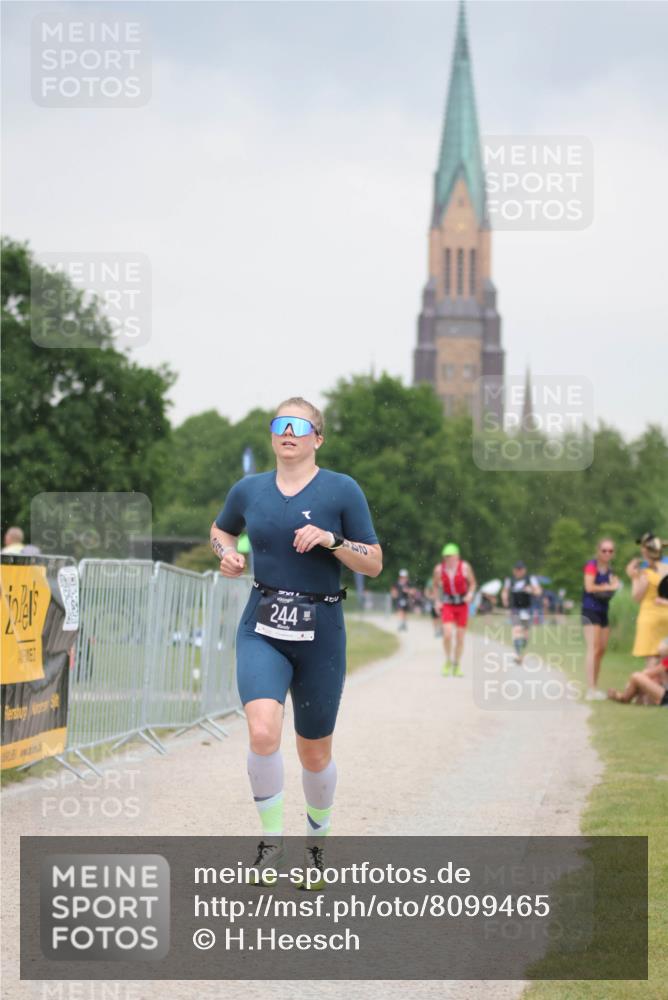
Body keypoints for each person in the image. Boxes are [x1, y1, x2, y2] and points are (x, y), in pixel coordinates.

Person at [210, 397, 382, 888]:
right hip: (262, 625)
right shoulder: (249, 490)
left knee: (314, 754)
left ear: (317, 439)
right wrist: (226, 553)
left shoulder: (342, 490)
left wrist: (332, 541)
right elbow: (221, 529)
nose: (288, 433)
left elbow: (373, 562)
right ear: (272, 435)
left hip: (321, 631)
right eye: (280, 424)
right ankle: (270, 846)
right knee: (263, 732)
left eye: (300, 426)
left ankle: (316, 848)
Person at [581, 538, 620, 701]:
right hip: (590, 610)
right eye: (604, 550)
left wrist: (610, 587)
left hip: (603, 610)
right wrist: (608, 587)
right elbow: (589, 587)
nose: (607, 553)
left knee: (601, 649)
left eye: (610, 551)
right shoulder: (592, 566)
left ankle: (595, 687)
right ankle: (590, 689)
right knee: (593, 648)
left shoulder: (610, 570)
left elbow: (616, 586)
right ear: (598, 551)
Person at [626, 532, 668, 672]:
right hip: (666, 617)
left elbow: (636, 597)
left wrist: (634, 577)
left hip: (649, 617)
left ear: (645, 550)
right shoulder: (665, 567)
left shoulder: (644, 572)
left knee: (651, 660)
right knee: (663, 662)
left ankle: (643, 684)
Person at [433, 543, 476, 676]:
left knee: (460, 637)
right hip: (448, 604)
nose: (448, 559)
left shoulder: (465, 567)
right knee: (447, 634)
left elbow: (473, 583)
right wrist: (437, 601)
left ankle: (456, 664)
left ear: (457, 556)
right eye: (446, 557)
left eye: (451, 556)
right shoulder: (439, 569)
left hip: (462, 605)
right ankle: (448, 661)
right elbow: (435, 586)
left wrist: (470, 594)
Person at [501, 562, 542, 664]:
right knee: (516, 630)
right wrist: (504, 599)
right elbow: (505, 591)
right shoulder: (510, 580)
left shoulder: (530, 579)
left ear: (524, 570)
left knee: (525, 634)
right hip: (515, 608)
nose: (518, 572)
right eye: (517, 569)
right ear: (514, 570)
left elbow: (539, 591)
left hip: (528, 609)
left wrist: (531, 590)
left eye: (520, 569)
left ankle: (521, 651)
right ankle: (518, 655)